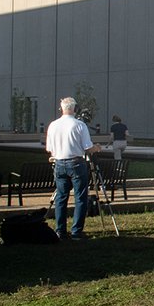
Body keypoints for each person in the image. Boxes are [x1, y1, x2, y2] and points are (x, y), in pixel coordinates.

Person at [45, 97, 100, 240]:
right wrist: (97, 148)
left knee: (61, 198)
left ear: (61, 109)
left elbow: (49, 148)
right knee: (80, 197)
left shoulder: (53, 125)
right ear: (75, 109)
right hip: (76, 162)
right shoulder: (79, 125)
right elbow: (87, 148)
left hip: (59, 163)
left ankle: (60, 230)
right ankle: (76, 231)